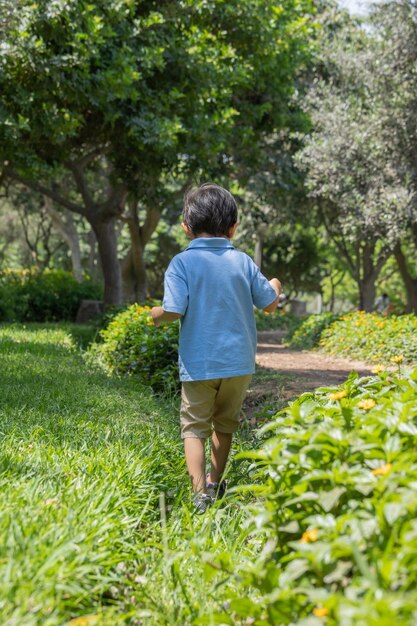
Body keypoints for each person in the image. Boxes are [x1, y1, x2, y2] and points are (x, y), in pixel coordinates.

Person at [151, 183, 282, 513]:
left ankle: (198, 495)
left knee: (194, 427)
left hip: (199, 365)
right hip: (238, 365)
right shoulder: (243, 261)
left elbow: (174, 310)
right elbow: (269, 304)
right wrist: (276, 285)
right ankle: (214, 483)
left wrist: (155, 315)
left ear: (186, 228)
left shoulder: (181, 263)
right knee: (225, 424)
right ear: (234, 227)